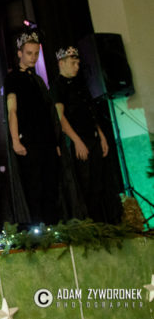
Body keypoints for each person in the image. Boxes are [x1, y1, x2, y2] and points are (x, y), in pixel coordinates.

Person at [51, 46, 122, 223]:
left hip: (93, 137)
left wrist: (101, 135)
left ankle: (103, 222)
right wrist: (77, 141)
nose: (76, 67)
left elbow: (91, 113)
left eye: (78, 63)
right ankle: (88, 224)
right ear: (61, 63)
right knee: (85, 185)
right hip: (78, 140)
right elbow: (60, 118)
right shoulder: (58, 86)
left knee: (99, 184)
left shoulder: (80, 84)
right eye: (73, 63)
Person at [5, 32, 62, 225]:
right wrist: (15, 140)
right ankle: (37, 229)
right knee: (34, 186)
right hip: (29, 141)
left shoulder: (38, 79)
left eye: (36, 53)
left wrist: (55, 143)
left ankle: (53, 227)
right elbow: (12, 110)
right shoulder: (13, 78)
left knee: (51, 186)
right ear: (19, 53)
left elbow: (48, 113)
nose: (33, 57)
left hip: (47, 141)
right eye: (29, 53)